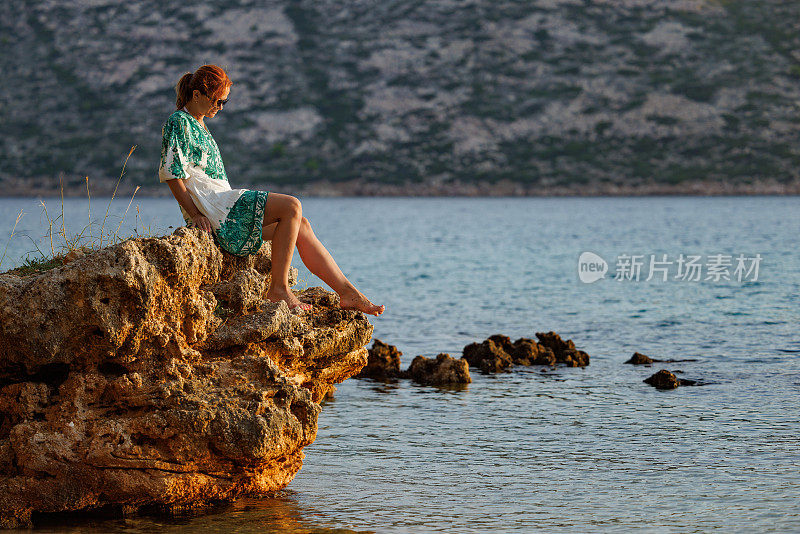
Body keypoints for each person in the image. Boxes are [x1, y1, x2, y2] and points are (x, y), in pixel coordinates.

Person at [158, 64, 384, 316]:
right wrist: (194, 214)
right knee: (292, 206)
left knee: (301, 225)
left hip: (223, 209)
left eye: (224, 102)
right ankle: (279, 289)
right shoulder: (179, 121)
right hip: (215, 208)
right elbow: (172, 174)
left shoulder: (200, 125)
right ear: (197, 94)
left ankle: (349, 293)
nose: (219, 108)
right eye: (216, 101)